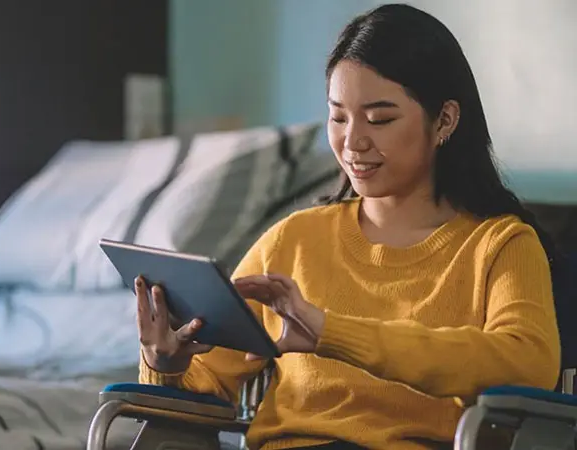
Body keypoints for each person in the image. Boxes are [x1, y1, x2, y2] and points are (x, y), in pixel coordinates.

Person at [135, 4, 563, 450]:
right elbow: (203, 391)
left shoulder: (500, 245)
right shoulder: (295, 239)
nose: (352, 141)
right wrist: (163, 360)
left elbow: (527, 365)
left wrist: (330, 333)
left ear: (446, 120)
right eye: (338, 116)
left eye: (380, 119)